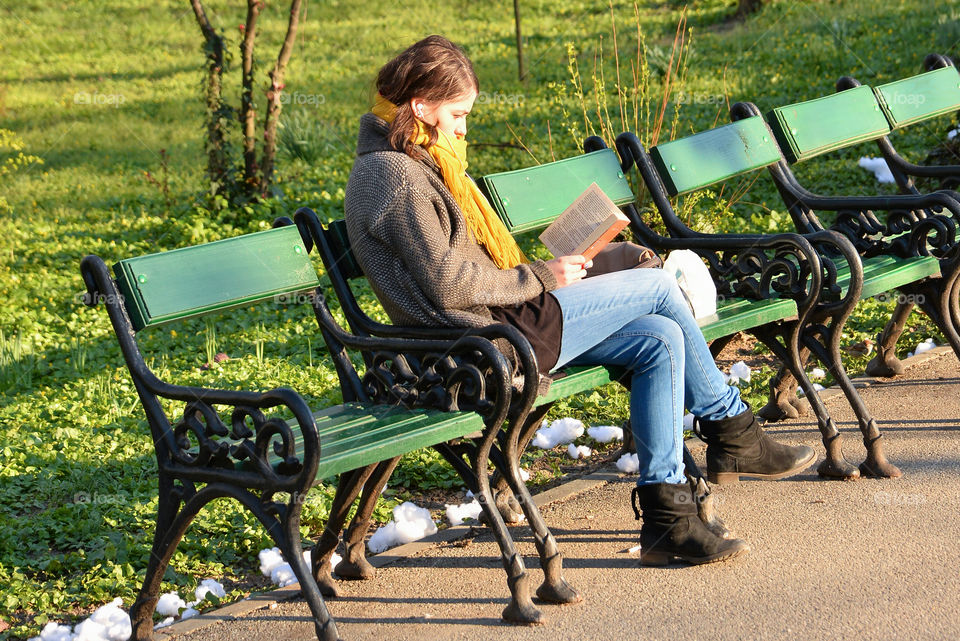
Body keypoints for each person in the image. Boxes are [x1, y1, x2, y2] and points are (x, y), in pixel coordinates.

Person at [344, 35, 816, 566]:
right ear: (420, 107)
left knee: (658, 341)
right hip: (480, 343)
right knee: (659, 287)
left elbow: (461, 271)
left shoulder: (413, 159)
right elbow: (452, 284)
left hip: (496, 322)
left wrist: (548, 271)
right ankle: (732, 429)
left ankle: (669, 520)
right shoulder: (395, 175)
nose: (464, 127)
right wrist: (545, 275)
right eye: (458, 113)